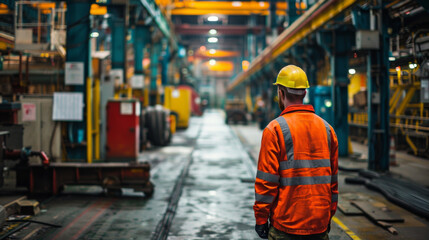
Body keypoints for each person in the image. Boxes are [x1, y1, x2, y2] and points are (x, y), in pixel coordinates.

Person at [253, 65, 338, 240]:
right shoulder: (328, 130)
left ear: (281, 92)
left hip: (286, 226)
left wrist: (261, 219)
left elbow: (266, 183)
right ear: (304, 93)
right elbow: (333, 182)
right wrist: (328, 214)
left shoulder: (274, 130)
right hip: (319, 224)